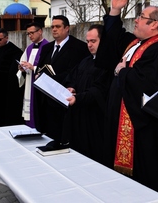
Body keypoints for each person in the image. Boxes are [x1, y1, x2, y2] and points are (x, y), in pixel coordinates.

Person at [95, 0, 158, 202]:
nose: (136, 20)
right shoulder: (135, 44)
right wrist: (114, 11)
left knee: (145, 178)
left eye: (141, 17)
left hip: (145, 132)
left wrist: (124, 70)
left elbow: (148, 85)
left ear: (154, 24)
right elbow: (113, 37)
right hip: (122, 122)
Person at [35, 15, 89, 149]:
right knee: (48, 134)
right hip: (45, 97)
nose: (54, 29)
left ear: (67, 28)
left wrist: (50, 79)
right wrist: (38, 74)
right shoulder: (47, 48)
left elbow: (75, 72)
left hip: (64, 97)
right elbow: (41, 67)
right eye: (52, 27)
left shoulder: (79, 47)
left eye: (58, 26)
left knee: (62, 136)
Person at [64, 24, 110, 163]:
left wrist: (78, 98)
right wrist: (71, 87)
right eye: (87, 41)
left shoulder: (108, 63)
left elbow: (99, 90)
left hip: (96, 118)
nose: (89, 45)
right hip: (79, 114)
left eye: (93, 41)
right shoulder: (85, 60)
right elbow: (73, 78)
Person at [17, 22, 49, 128]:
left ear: (40, 31)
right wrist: (22, 68)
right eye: (28, 34)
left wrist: (33, 68)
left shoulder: (48, 47)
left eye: (32, 33)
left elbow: (50, 69)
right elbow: (23, 62)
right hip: (30, 84)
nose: (30, 36)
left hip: (42, 86)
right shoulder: (29, 48)